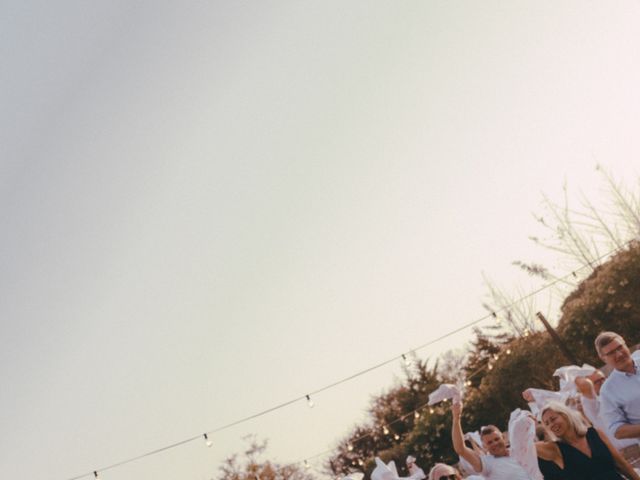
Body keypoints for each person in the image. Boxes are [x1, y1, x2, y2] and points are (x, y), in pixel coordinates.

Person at [534, 401, 640, 480]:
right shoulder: (555, 449)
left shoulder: (595, 434)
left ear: (565, 415)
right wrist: (525, 423)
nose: (551, 425)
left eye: (553, 419)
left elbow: (622, 464)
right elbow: (528, 446)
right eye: (547, 424)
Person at [450, 401, 532, 479]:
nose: (495, 443)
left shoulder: (519, 452)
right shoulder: (487, 464)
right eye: (489, 442)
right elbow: (460, 449)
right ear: (484, 446)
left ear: (503, 438)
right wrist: (456, 418)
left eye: (497, 439)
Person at [595, 331, 640, 441]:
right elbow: (617, 431)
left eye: (620, 347)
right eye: (611, 353)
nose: (619, 354)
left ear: (625, 344)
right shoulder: (607, 391)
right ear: (603, 359)